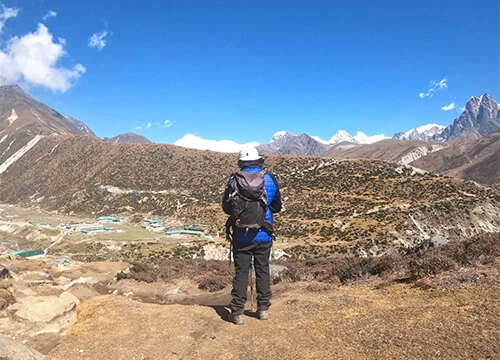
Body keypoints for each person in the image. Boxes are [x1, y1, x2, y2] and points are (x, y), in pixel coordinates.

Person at [222, 146, 282, 325]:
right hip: (264, 234)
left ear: (241, 163)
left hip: (242, 235)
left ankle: (238, 312)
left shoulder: (234, 180)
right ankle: (263, 309)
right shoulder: (269, 179)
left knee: (241, 273)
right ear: (258, 161)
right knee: (262, 270)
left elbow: (226, 208)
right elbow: (277, 207)